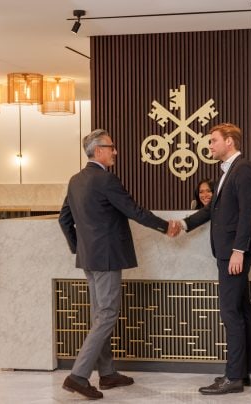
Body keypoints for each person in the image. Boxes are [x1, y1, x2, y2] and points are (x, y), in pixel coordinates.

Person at [58, 129, 180, 400]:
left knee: (100, 315)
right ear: (98, 150)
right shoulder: (106, 179)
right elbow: (133, 210)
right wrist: (164, 226)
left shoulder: (75, 180)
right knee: (107, 315)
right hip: (107, 258)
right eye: (111, 147)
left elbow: (64, 219)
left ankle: (107, 373)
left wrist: (80, 247)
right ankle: (78, 376)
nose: (115, 151)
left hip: (90, 259)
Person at [178, 123, 251, 395]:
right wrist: (184, 224)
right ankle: (247, 370)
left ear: (229, 141)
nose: (210, 146)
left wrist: (239, 250)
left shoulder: (243, 169)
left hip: (233, 253)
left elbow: (247, 212)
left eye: (213, 141)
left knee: (230, 312)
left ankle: (233, 377)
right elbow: (212, 210)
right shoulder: (226, 172)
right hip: (228, 252)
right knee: (241, 309)